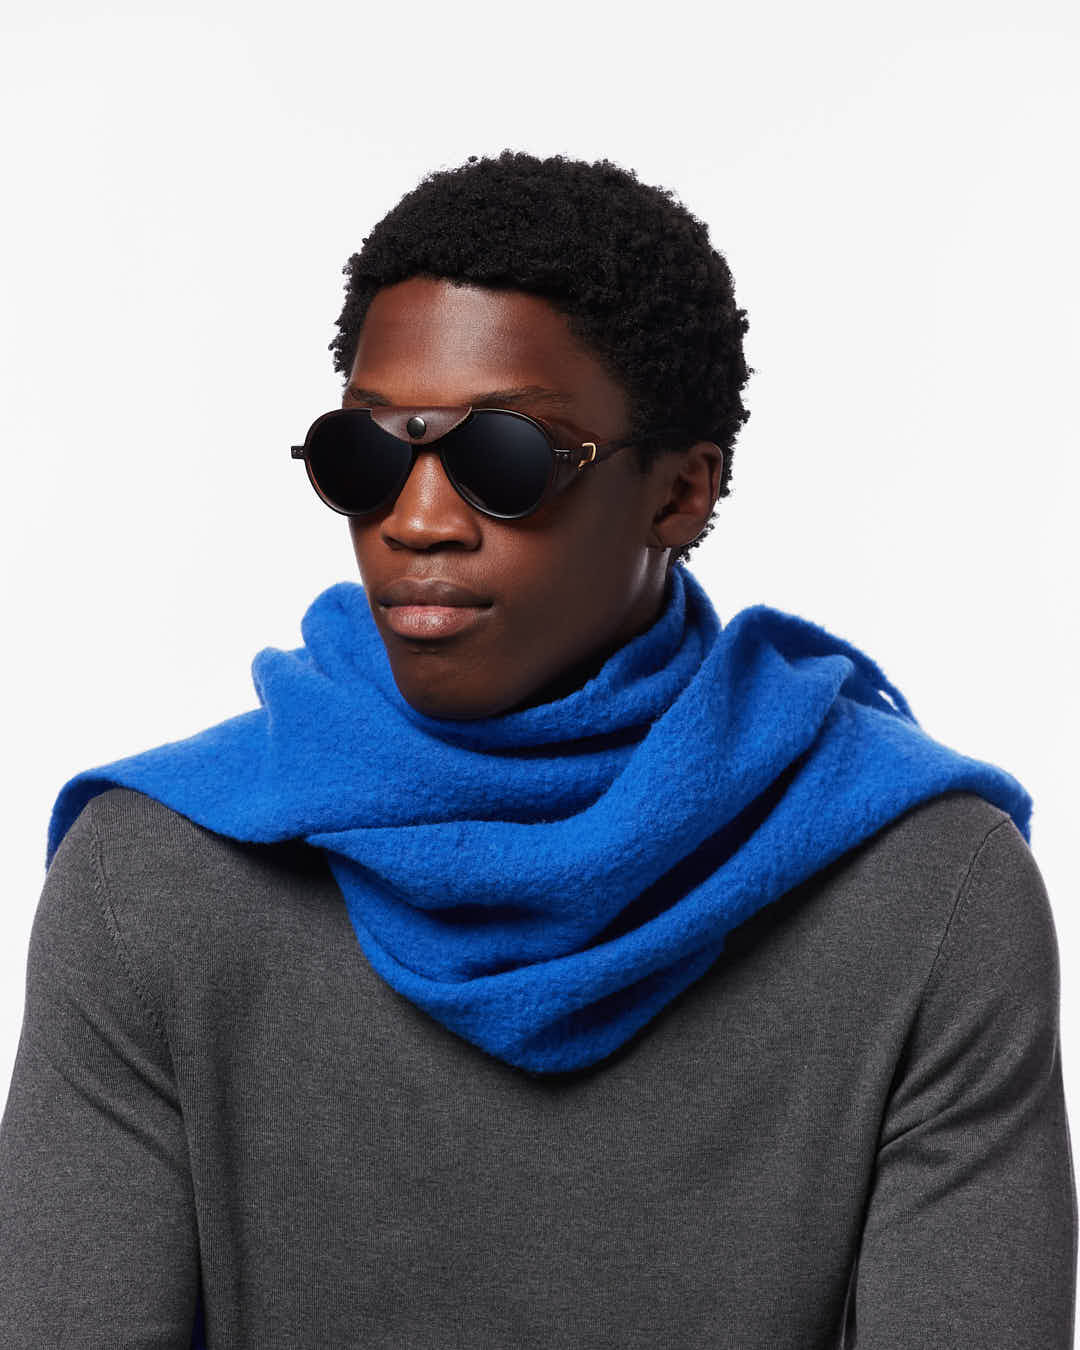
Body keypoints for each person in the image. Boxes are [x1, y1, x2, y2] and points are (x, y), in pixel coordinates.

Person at [1, 149, 1075, 1347]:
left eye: (503, 458)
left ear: (681, 493)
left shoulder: (924, 891)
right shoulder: (155, 876)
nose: (417, 521)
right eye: (367, 454)